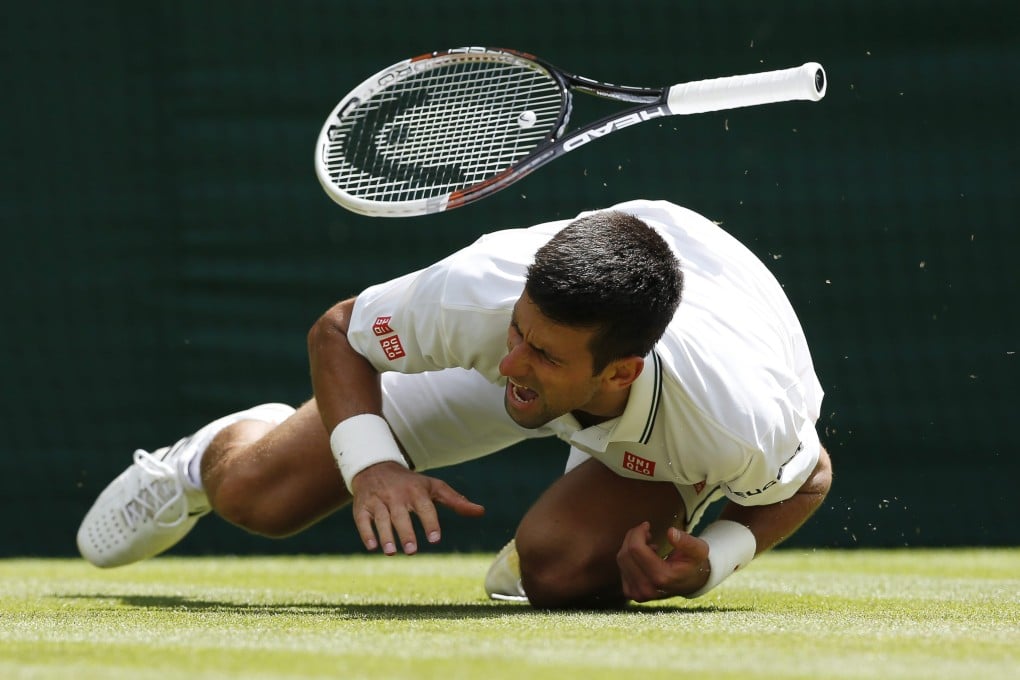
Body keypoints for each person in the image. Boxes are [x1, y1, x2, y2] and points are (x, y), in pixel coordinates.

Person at [77, 199, 832, 609]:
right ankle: (203, 459)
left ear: (619, 374)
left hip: (674, 414)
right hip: (611, 338)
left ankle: (597, 517)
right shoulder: (487, 294)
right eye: (518, 333)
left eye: (541, 353)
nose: (513, 362)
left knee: (561, 573)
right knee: (257, 497)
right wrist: (371, 466)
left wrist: (714, 565)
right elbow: (340, 331)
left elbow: (813, 477)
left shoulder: (733, 421)